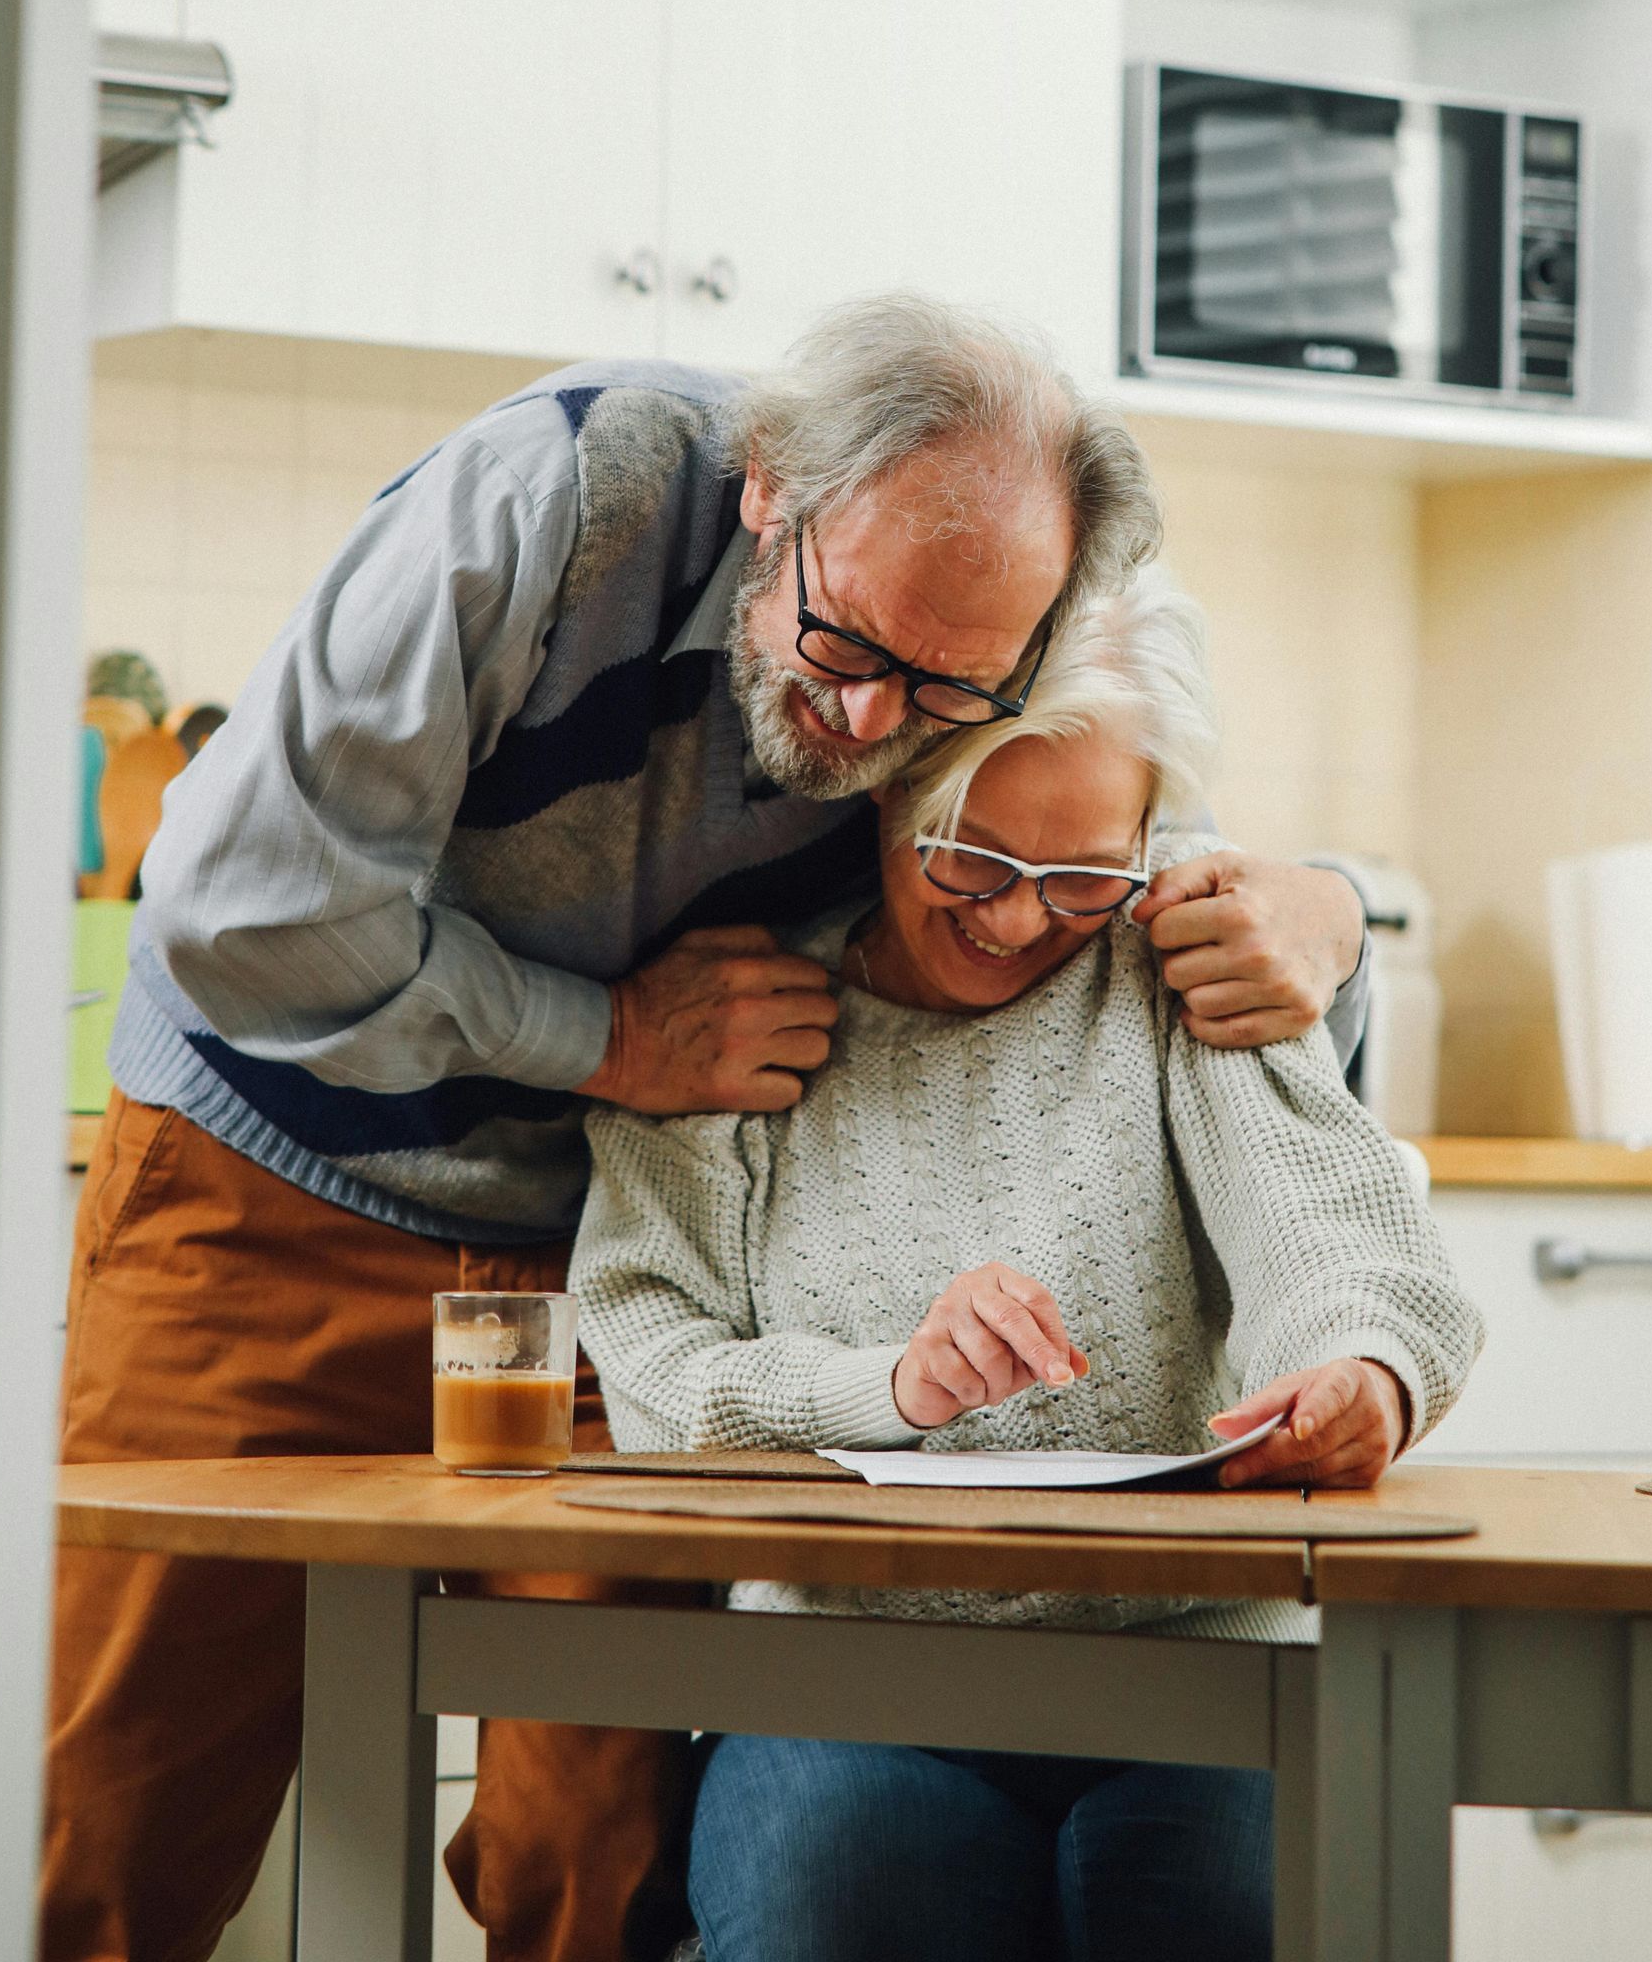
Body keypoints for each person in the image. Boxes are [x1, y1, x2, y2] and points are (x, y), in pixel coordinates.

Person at [45, 296, 1376, 1962]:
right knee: (109, 1814)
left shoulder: (990, 630)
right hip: (278, 1174)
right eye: (847, 651)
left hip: (604, 1247)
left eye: (949, 691)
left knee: (592, 1843)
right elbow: (241, 908)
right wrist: (605, 1038)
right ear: (769, 493)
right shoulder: (551, 499)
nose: (880, 732)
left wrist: (1329, 917)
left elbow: (1108, 829)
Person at [574, 570, 1483, 1962]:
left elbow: (1348, 1239)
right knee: (843, 1908)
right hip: (846, 1679)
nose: (1013, 920)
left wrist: (1365, 1372)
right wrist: (891, 1385)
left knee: (1229, 1914)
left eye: (1079, 877)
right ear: (885, 790)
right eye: (970, 858)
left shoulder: (1174, 974)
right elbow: (651, 1370)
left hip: (1200, 1667)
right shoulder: (737, 1020)